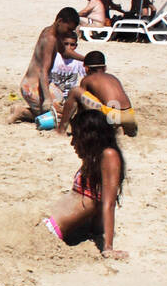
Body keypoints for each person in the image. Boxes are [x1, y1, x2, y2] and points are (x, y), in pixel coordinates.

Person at [42, 109, 127, 259]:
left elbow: (108, 203)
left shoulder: (109, 156)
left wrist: (108, 247)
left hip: (52, 228)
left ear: (90, 137)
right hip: (50, 221)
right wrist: (93, 230)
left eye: (76, 136)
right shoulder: (94, 158)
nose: (72, 143)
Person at [9, 7, 83, 123]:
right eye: (68, 29)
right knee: (54, 117)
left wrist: (85, 59)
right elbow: (43, 70)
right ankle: (22, 112)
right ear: (59, 21)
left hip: (43, 83)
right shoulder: (50, 39)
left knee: (62, 108)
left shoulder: (50, 31)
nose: (69, 33)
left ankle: (30, 110)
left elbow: (64, 52)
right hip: (31, 86)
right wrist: (47, 99)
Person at [59, 50, 138, 136]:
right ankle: (129, 130)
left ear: (86, 68)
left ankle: (60, 130)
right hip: (129, 116)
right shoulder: (113, 78)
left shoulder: (87, 79)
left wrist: (77, 124)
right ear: (105, 68)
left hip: (111, 115)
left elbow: (82, 107)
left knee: (75, 91)